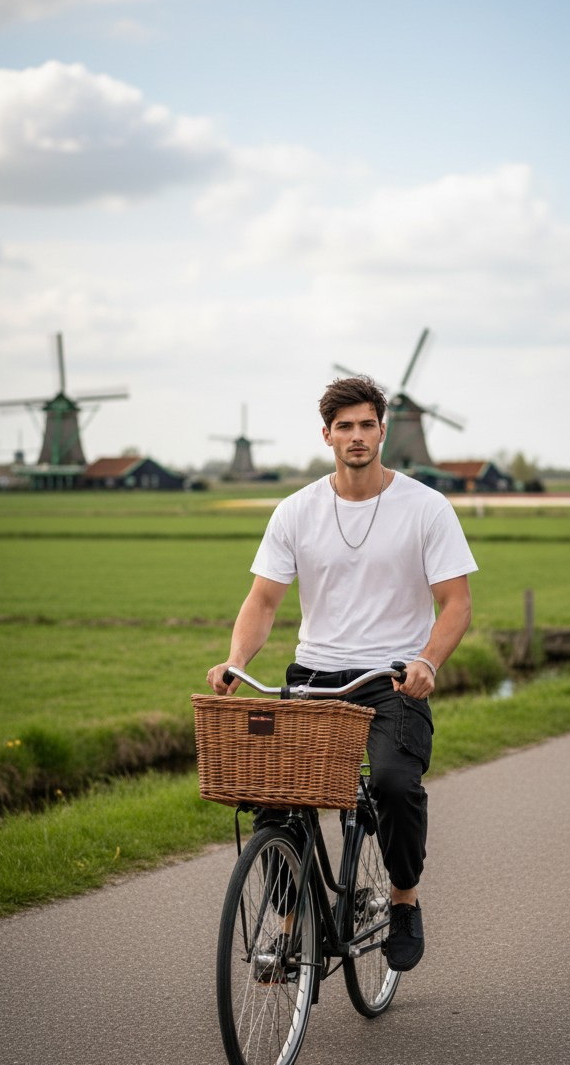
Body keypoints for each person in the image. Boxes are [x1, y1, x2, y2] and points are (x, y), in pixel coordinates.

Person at [207, 375, 478, 972]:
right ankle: (284, 927)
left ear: (383, 430)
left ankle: (403, 900)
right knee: (274, 802)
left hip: (391, 679)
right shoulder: (296, 510)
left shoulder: (426, 508)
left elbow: (456, 603)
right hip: (312, 678)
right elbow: (264, 601)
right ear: (327, 435)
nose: (356, 436)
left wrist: (428, 661)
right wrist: (236, 659)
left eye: (366, 425)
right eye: (344, 426)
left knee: (391, 784)